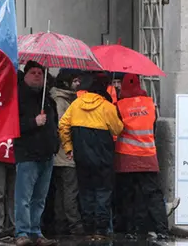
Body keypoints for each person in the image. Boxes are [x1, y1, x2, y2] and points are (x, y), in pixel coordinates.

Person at [58, 72, 123, 241]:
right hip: (103, 157)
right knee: (102, 192)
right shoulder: (107, 107)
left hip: (81, 156)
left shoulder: (76, 104)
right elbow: (117, 129)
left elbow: (63, 124)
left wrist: (68, 147)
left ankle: (88, 228)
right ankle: (100, 230)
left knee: (86, 192)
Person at [113, 74, 169, 240]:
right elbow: (153, 126)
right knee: (153, 195)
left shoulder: (119, 105)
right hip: (148, 157)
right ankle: (162, 229)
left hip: (126, 157)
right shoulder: (150, 104)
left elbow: (116, 128)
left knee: (127, 195)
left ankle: (130, 230)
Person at [13, 61, 59, 246]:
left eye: (40, 72)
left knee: (40, 198)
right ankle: (22, 232)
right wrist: (34, 122)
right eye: (33, 72)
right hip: (27, 154)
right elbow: (14, 126)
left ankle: (35, 230)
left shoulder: (47, 98)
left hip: (46, 154)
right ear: (25, 75)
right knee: (24, 197)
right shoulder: (18, 97)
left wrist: (55, 144)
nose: (37, 75)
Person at [48, 70, 82, 236]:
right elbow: (63, 127)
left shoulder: (63, 99)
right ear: (66, 83)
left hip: (59, 155)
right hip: (65, 155)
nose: (78, 84)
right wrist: (70, 148)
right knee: (69, 192)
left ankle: (61, 223)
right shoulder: (61, 101)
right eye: (75, 81)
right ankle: (73, 224)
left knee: (62, 192)